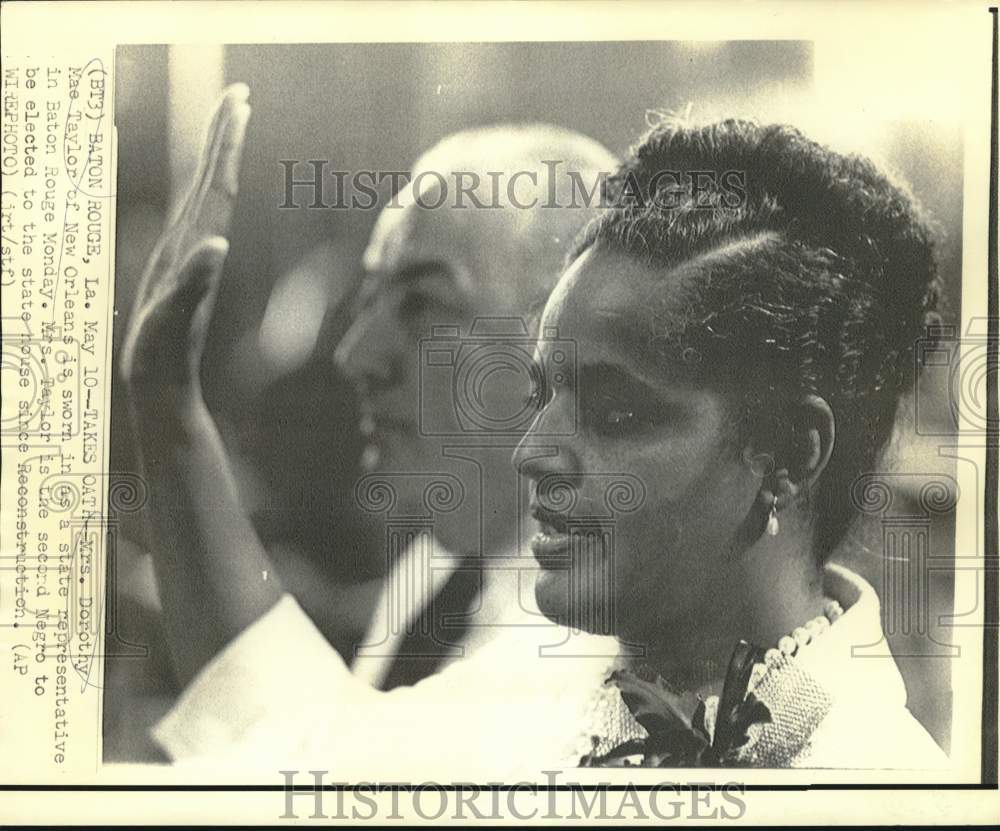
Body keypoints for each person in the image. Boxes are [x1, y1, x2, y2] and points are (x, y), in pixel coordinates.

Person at [122, 87, 947, 775]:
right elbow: (302, 753)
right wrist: (164, 402)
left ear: (788, 457)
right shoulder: (570, 701)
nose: (532, 450)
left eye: (616, 409)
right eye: (542, 390)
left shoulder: (875, 778)